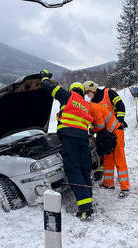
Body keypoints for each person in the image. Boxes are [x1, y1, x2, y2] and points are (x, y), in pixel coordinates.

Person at [40, 69, 94, 220]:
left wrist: (44, 76)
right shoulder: (86, 104)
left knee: (73, 170)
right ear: (83, 92)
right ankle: (88, 203)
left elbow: (49, 87)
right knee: (84, 170)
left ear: (72, 90)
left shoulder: (68, 96)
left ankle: (84, 209)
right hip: (83, 139)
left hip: (70, 138)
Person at [83, 80, 127, 181]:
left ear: (93, 90)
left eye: (88, 92)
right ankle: (103, 174)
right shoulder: (92, 103)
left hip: (114, 129)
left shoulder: (109, 93)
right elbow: (93, 119)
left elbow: (120, 106)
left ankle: (124, 184)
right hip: (102, 131)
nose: (87, 95)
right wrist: (91, 128)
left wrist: (120, 121)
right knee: (103, 152)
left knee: (118, 155)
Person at [89, 101, 130, 198]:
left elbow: (100, 125)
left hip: (116, 132)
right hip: (108, 134)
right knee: (108, 159)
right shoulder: (91, 108)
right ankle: (108, 183)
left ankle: (125, 188)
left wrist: (92, 130)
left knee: (119, 159)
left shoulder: (93, 108)